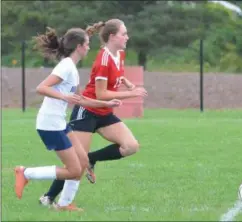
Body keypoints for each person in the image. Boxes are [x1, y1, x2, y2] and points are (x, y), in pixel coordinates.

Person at [38, 18, 148, 206]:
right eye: (124, 34)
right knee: (75, 164)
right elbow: (101, 93)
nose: (127, 37)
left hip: (104, 112)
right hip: (87, 110)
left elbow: (117, 74)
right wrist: (132, 93)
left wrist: (125, 81)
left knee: (131, 146)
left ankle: (92, 159)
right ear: (112, 37)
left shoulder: (119, 54)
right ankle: (48, 198)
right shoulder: (103, 58)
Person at [14, 26, 121, 211]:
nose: (89, 48)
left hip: (59, 122)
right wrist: (64, 97)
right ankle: (26, 173)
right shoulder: (65, 67)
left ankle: (64, 204)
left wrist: (106, 104)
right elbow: (41, 87)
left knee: (84, 162)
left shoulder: (72, 68)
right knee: (73, 170)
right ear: (79, 46)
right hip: (50, 124)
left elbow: (80, 99)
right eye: (87, 45)